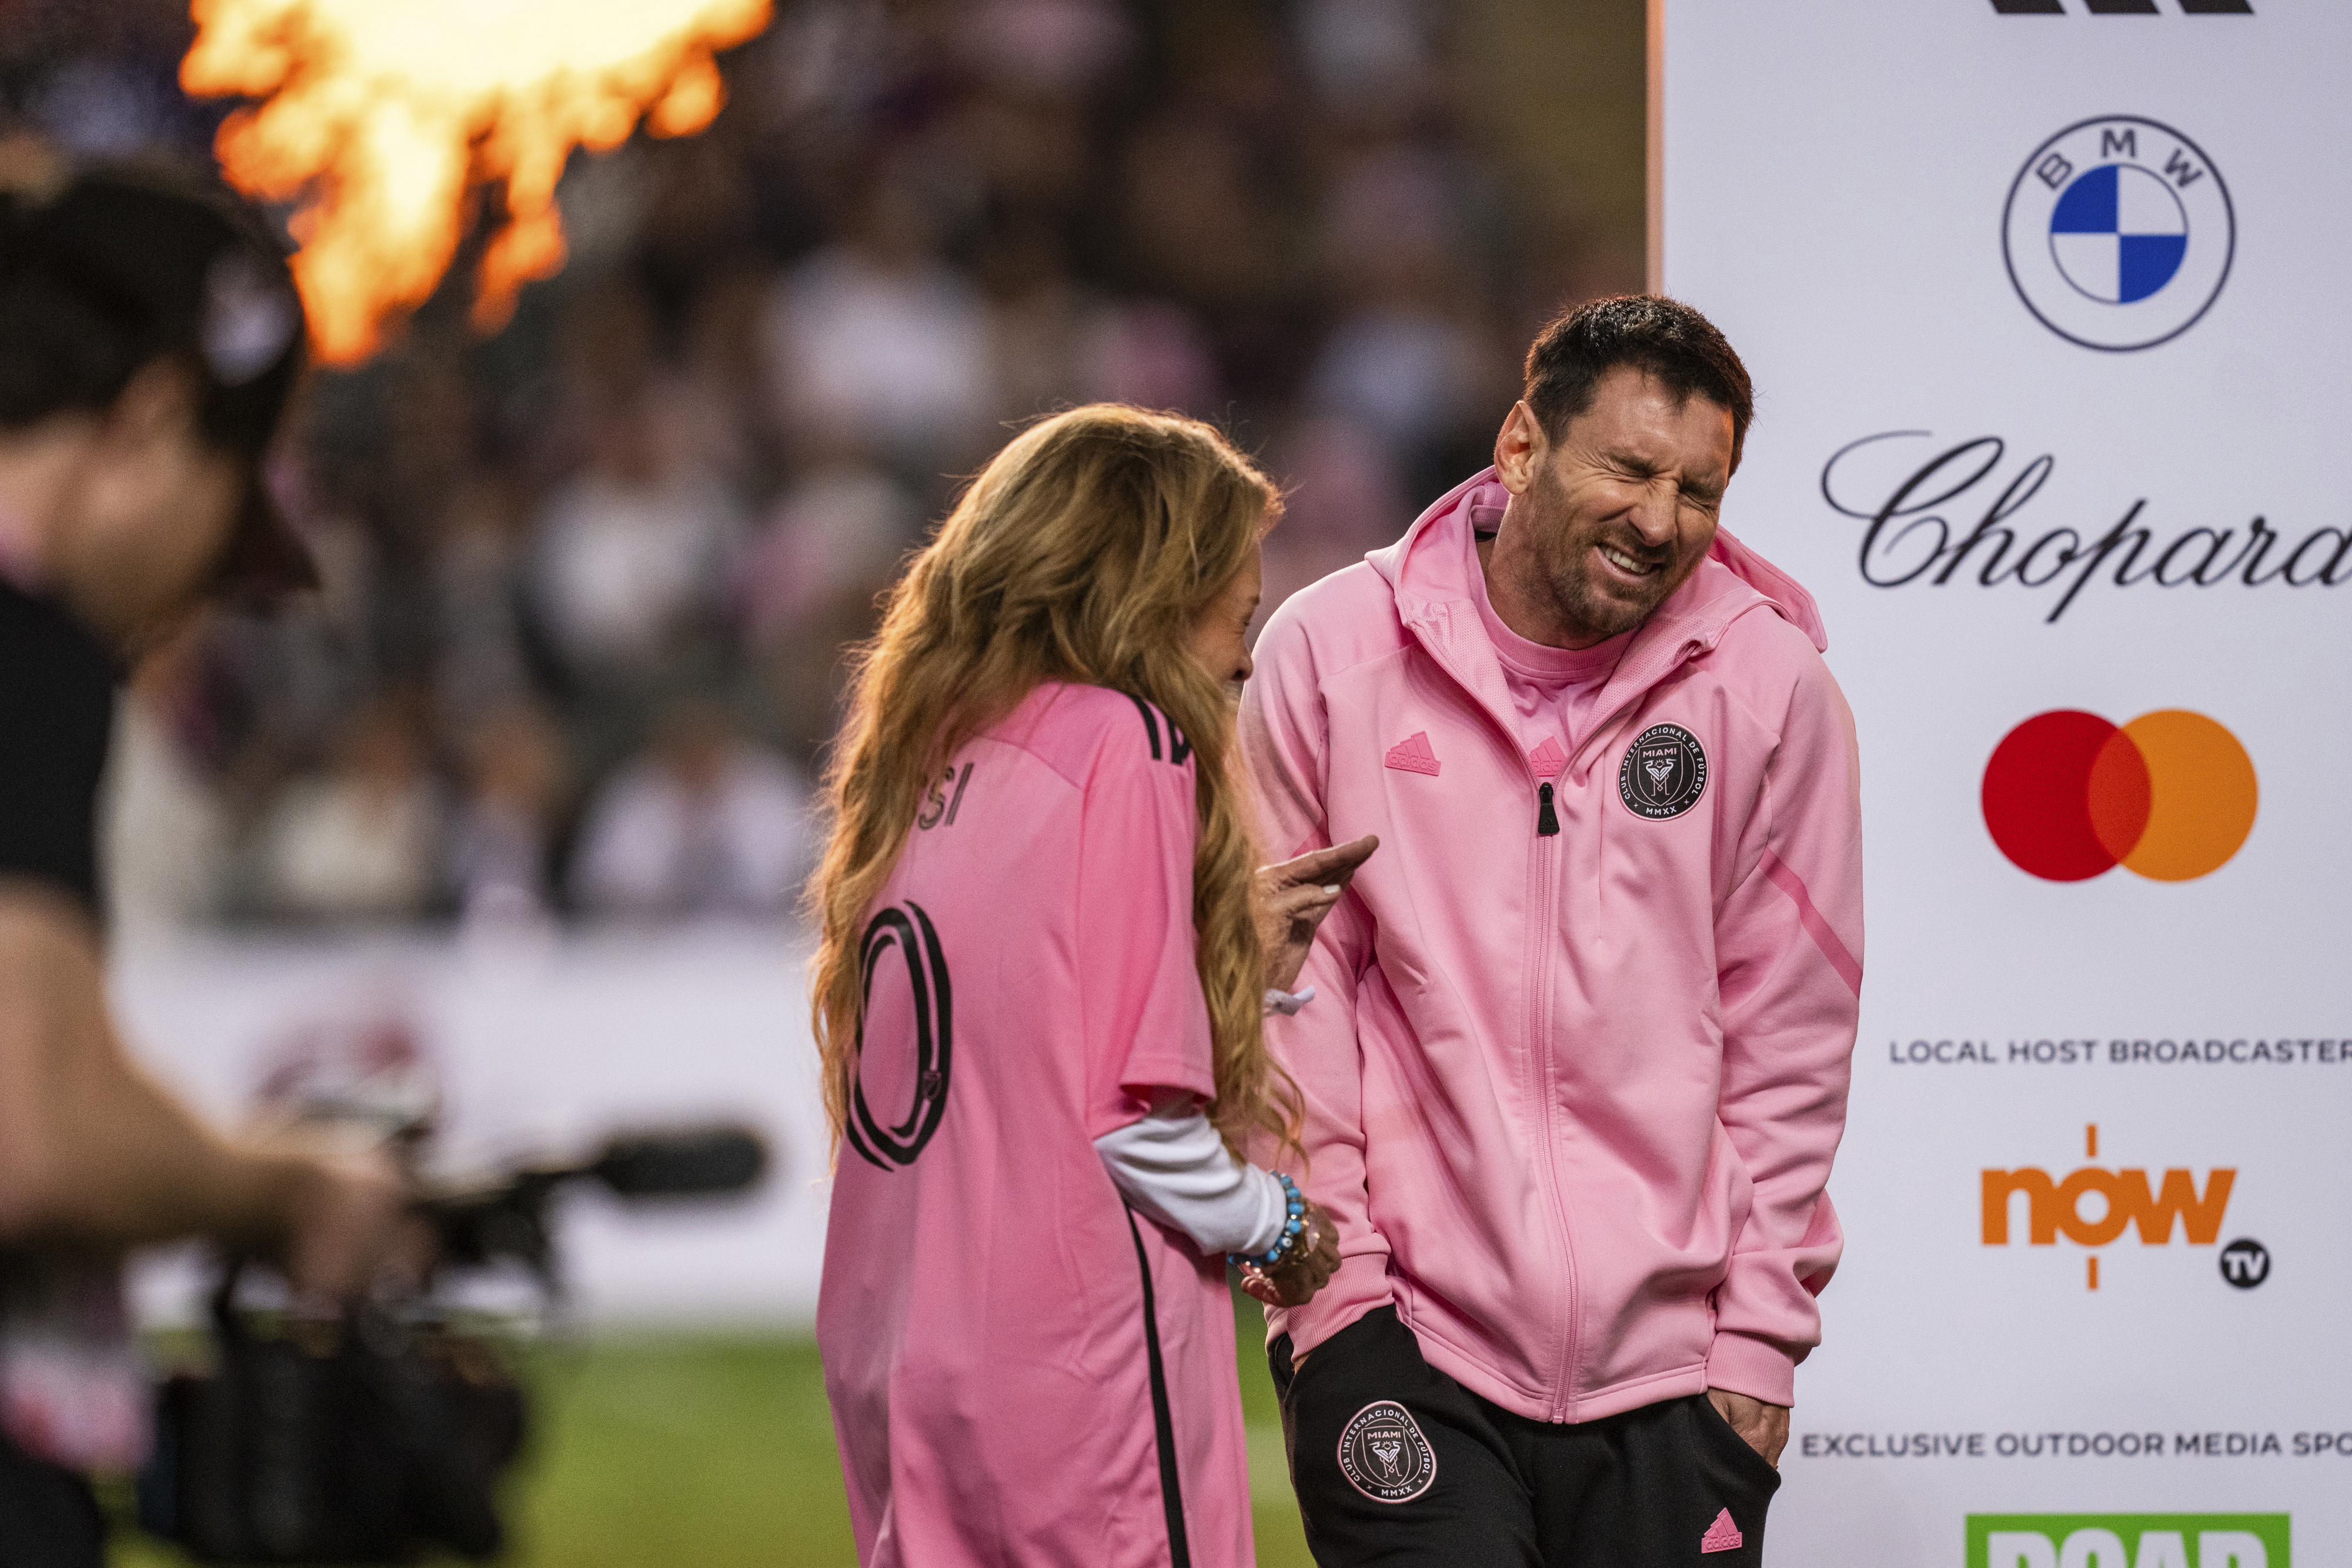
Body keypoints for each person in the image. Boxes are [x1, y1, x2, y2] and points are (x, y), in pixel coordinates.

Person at [1241, 296, 1861, 1566]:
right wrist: (1337, 1292)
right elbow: (1279, 996)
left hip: (1675, 1373)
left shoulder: (1771, 690)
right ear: (1521, 446)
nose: (1659, 517)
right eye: (1628, 467)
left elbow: (1788, 1033)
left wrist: (1752, 1337)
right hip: (1400, 1340)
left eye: (1698, 487)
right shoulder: (1329, 652)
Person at [810, 404, 1373, 1567]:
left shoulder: (935, 752)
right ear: (1159, 586)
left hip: (895, 1343)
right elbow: (1134, 1131)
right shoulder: (1128, 741)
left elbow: (1030, 1060)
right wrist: (1280, 1226)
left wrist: (1230, 967)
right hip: (1069, 1366)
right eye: (1240, 611)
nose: (1242, 657)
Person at [0, 158, 408, 1564]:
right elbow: (26, 1128)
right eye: (224, 503)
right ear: (153, 414)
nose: (207, 578)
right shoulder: (22, 646)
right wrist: (292, 1187)